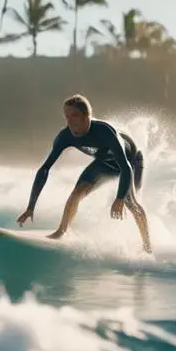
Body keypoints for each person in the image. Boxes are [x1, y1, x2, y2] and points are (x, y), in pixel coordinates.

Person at [16, 94, 152, 253]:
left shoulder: (105, 132)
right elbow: (44, 169)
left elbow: (125, 166)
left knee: (130, 202)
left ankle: (147, 246)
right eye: (66, 116)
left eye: (74, 115)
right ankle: (61, 232)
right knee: (77, 193)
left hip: (131, 162)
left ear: (87, 116)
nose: (69, 120)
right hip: (105, 163)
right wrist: (31, 207)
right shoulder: (65, 136)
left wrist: (119, 198)